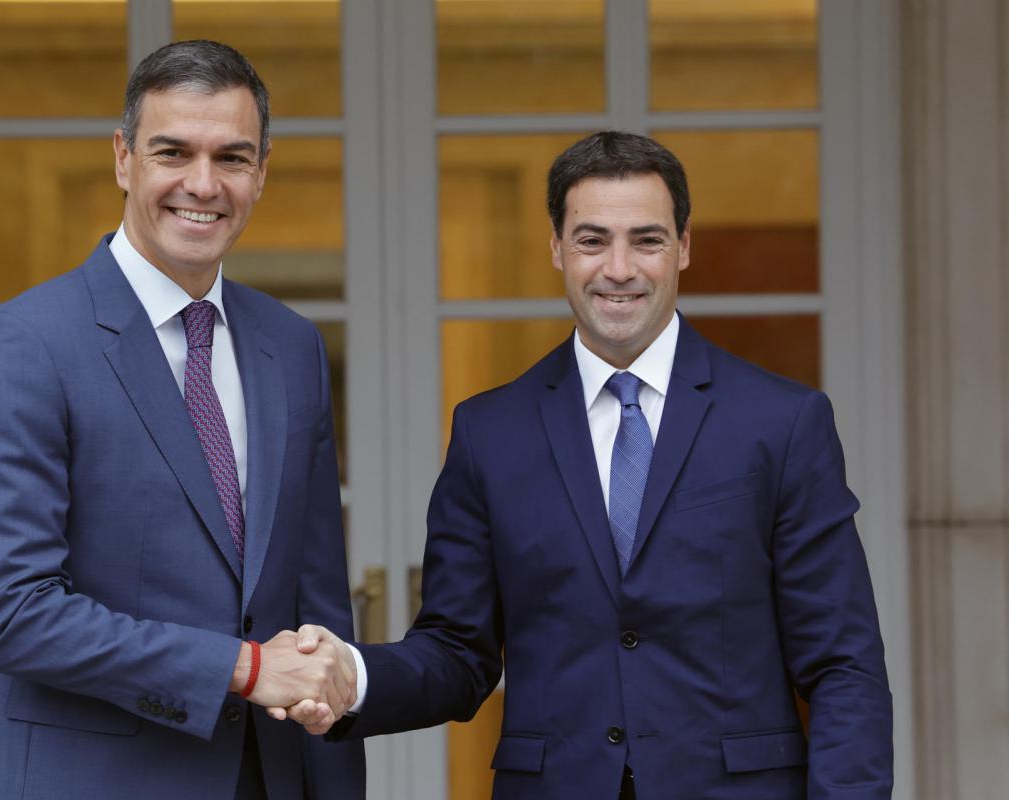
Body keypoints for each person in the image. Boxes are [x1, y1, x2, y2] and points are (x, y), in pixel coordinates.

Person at [294, 131, 893, 798]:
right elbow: (458, 652)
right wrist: (353, 677)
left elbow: (843, 663)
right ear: (556, 247)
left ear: (683, 246)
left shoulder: (782, 422)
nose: (619, 268)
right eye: (592, 240)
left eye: (647, 240)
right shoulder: (489, 433)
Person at [0, 40, 364, 800]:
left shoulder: (291, 347)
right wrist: (243, 668)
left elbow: (318, 607)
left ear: (262, 171)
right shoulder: (24, 344)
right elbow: (12, 614)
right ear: (123, 159)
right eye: (173, 152)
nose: (203, 184)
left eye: (232, 158)